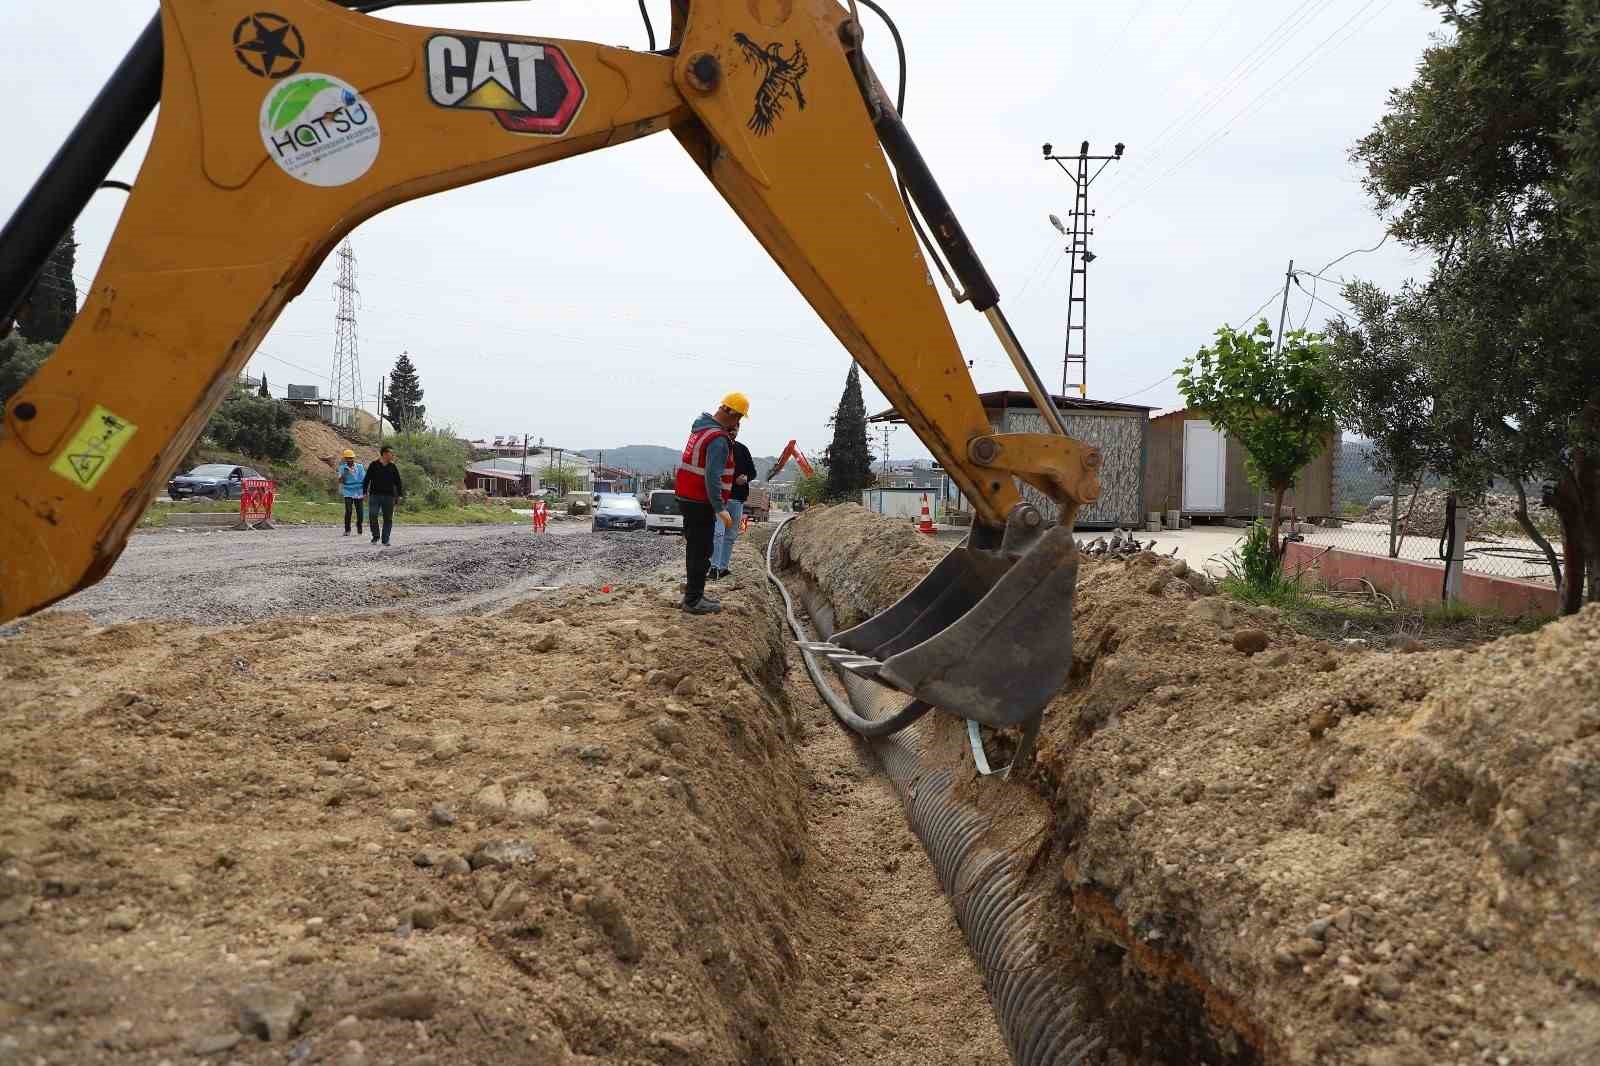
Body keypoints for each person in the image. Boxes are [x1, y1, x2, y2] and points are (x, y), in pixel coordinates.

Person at [674, 392, 748, 614]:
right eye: (739, 417)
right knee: (702, 550)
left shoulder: (701, 430)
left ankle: (694, 593)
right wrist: (720, 508)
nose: (738, 423)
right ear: (731, 413)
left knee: (695, 549)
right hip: (700, 501)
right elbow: (712, 476)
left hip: (688, 497)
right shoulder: (717, 439)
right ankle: (693, 600)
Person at [709, 425, 757, 579]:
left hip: (737, 499)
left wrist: (746, 478)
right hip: (720, 499)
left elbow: (753, 472)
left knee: (730, 535)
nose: (732, 432)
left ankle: (723, 567)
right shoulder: (716, 447)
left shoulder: (743, 449)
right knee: (718, 533)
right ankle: (714, 567)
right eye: (730, 428)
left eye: (735, 429)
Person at [362, 445, 404, 546]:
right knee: (372, 515)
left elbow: (398, 482)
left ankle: (385, 539)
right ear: (384, 454)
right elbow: (367, 479)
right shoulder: (373, 465)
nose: (393, 455)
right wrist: (364, 493)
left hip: (389, 497)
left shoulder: (393, 467)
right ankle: (375, 536)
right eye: (391, 453)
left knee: (388, 518)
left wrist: (399, 495)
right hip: (374, 496)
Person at [336, 449, 367, 537]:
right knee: (348, 510)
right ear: (345, 459)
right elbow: (340, 481)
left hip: (359, 491)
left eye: (351, 458)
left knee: (360, 512)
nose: (349, 460)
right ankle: (347, 529)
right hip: (348, 491)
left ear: (353, 458)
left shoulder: (360, 467)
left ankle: (359, 525)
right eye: (347, 458)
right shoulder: (342, 468)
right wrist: (344, 474)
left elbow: (364, 479)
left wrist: (365, 492)